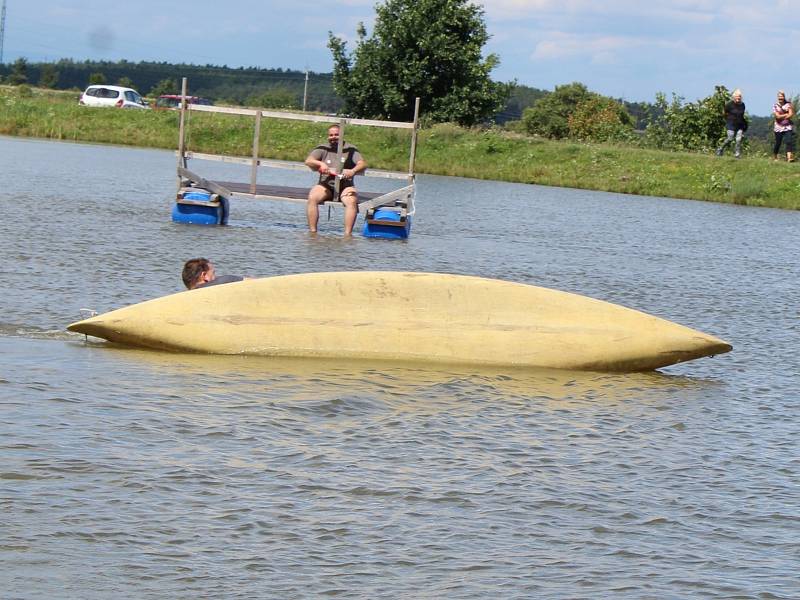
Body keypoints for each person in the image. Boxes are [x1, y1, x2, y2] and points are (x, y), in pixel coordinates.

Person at [305, 124, 367, 236]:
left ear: (342, 135)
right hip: (326, 185)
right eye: (331, 135)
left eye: (336, 135)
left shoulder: (351, 149)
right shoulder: (323, 148)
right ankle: (312, 232)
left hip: (345, 185)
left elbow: (362, 164)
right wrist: (320, 163)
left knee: (352, 201)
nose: (333, 137)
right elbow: (308, 161)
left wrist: (352, 171)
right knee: (312, 197)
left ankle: (347, 235)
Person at [715, 89, 747, 158]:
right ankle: (720, 149)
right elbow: (724, 113)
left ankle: (737, 154)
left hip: (740, 125)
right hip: (731, 124)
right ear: (734, 97)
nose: (738, 98)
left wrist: (744, 124)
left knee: (738, 139)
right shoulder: (729, 104)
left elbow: (742, 115)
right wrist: (728, 119)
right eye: (737, 96)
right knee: (730, 138)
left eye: (740, 96)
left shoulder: (742, 105)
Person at [772, 90, 795, 162]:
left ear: (784, 97)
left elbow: (791, 114)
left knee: (789, 141)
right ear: (777, 97)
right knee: (778, 143)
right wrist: (785, 114)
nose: (780, 98)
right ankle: (775, 155)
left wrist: (783, 116)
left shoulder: (788, 104)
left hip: (787, 126)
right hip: (778, 127)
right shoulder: (775, 105)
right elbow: (777, 116)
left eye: (781, 96)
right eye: (779, 97)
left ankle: (789, 158)